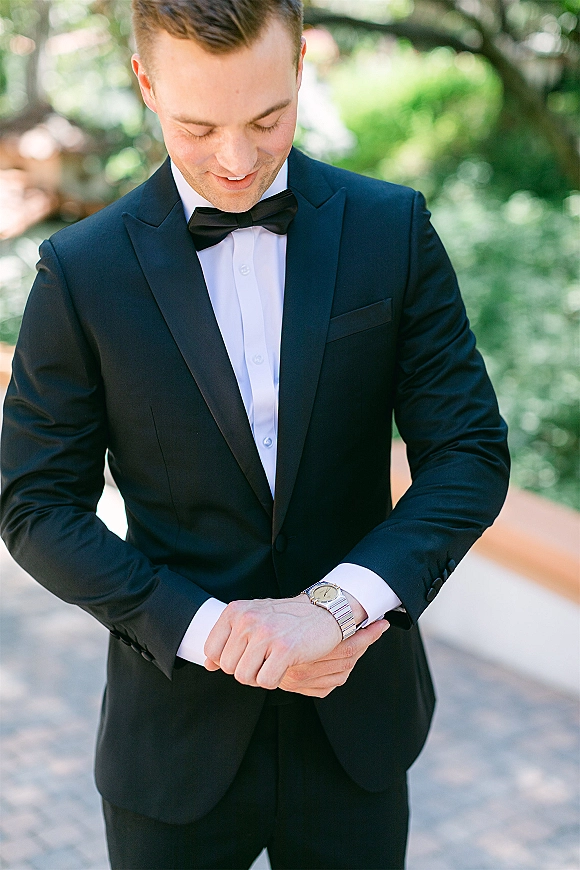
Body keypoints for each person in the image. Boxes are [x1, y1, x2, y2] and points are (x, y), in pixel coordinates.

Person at [0, 1, 510, 868]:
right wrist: (214, 633)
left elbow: (468, 454)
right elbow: (37, 508)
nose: (236, 160)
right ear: (146, 84)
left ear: (301, 66)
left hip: (358, 724)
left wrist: (333, 608)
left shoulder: (391, 229)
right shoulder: (82, 272)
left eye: (268, 119)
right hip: (175, 744)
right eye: (198, 127)